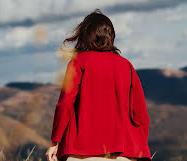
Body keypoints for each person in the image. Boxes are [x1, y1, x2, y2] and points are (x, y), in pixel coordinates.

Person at [46, 9, 151, 161]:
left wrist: (55, 141)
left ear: (85, 35)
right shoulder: (126, 66)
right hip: (124, 153)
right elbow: (141, 115)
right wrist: (139, 148)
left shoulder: (79, 62)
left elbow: (65, 104)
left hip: (81, 152)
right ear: (111, 36)